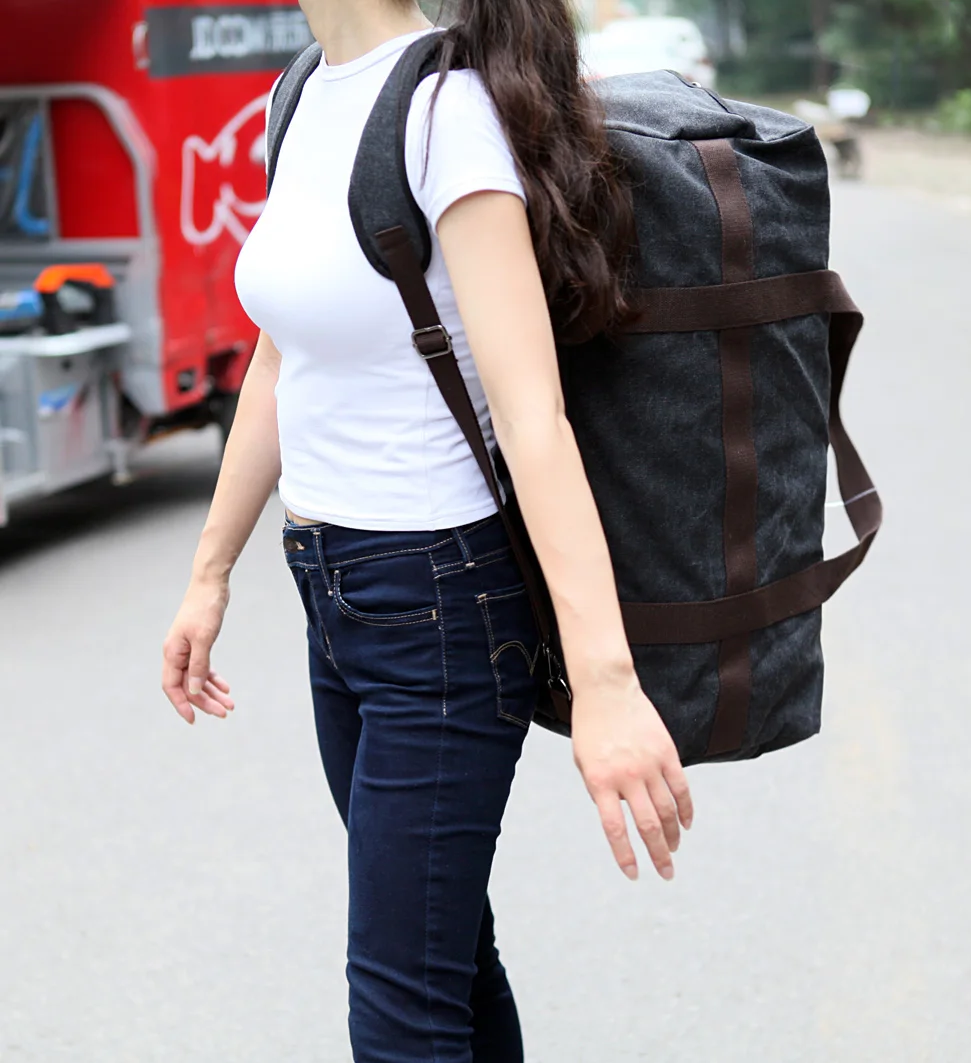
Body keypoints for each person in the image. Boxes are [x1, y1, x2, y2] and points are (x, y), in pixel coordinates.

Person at [162, 0, 694, 1058]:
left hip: (439, 606)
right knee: (445, 958)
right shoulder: (301, 93)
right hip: (332, 592)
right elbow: (280, 357)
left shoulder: (445, 114)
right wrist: (208, 573)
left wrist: (606, 683)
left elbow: (532, 417)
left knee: (399, 1007)